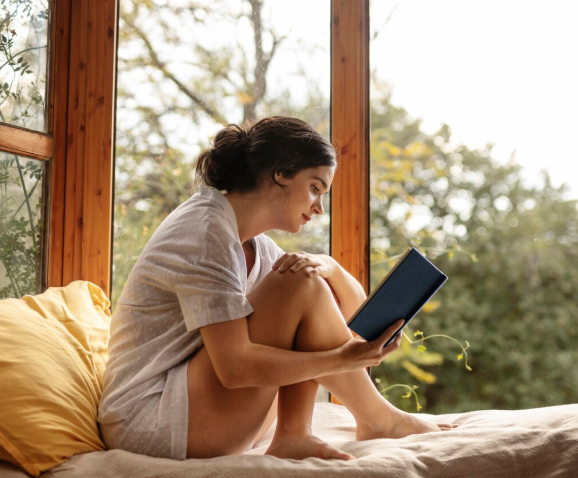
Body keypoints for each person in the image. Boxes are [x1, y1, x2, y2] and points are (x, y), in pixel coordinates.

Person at [98, 116, 456, 462]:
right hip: (150, 421)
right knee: (302, 281)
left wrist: (330, 266)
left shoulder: (258, 246)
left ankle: (296, 434)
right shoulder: (206, 231)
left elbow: (345, 316)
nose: (318, 208)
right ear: (278, 174)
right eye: (315, 188)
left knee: (306, 279)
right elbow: (234, 368)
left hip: (196, 411)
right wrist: (342, 359)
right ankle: (380, 420)